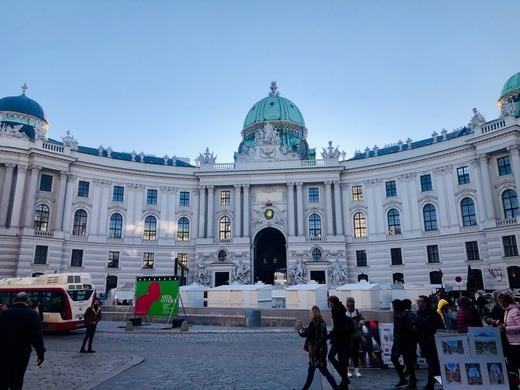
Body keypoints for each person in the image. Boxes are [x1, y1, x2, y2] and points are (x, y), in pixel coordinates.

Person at [0, 292, 45, 389]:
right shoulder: (33, 314)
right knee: (18, 378)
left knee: (4, 378)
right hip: (22, 351)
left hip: (4, 351)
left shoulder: (5, 313)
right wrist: (40, 352)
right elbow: (37, 336)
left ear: (15, 300)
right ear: (27, 301)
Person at [296, 305, 339, 390]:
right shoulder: (322, 322)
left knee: (321, 371)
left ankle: (336, 388)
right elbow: (322, 334)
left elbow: (305, 334)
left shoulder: (313, 323)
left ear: (313, 313)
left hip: (316, 351)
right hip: (322, 349)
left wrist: (299, 330)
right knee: (316, 371)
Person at [415, 295, 444, 390]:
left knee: (432, 364)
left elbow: (440, 327)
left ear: (425, 303)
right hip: (423, 342)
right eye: (417, 301)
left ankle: (430, 385)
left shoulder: (432, 314)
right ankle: (438, 382)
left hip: (432, 342)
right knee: (432, 364)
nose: (418, 303)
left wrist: (433, 337)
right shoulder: (418, 314)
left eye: (420, 301)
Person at [327, 295, 355, 390]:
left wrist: (330, 335)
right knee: (343, 361)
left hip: (340, 340)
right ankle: (344, 383)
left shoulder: (336, 312)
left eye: (330, 302)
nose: (329, 304)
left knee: (331, 356)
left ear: (333, 302)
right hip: (344, 340)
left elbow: (338, 328)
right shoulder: (341, 310)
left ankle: (344, 378)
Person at [391, 299, 417, 389]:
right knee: (406, 361)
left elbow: (405, 329)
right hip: (402, 341)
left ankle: (407, 380)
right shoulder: (401, 315)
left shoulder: (401, 316)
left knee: (402, 360)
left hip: (402, 341)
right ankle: (408, 380)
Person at [497, 291, 520, 378]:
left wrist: (506, 328)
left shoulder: (514, 311)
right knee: (512, 366)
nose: (499, 304)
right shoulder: (507, 311)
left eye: (500, 302)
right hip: (511, 342)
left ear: (505, 302)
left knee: (515, 364)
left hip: (517, 343)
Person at [345, 297, 365, 378]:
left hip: (356, 335)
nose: (350, 304)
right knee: (347, 353)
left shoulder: (357, 311)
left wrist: (360, 323)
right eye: (349, 302)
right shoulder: (344, 312)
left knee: (355, 353)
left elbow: (363, 319)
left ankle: (356, 369)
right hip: (347, 335)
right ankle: (347, 369)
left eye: (351, 302)